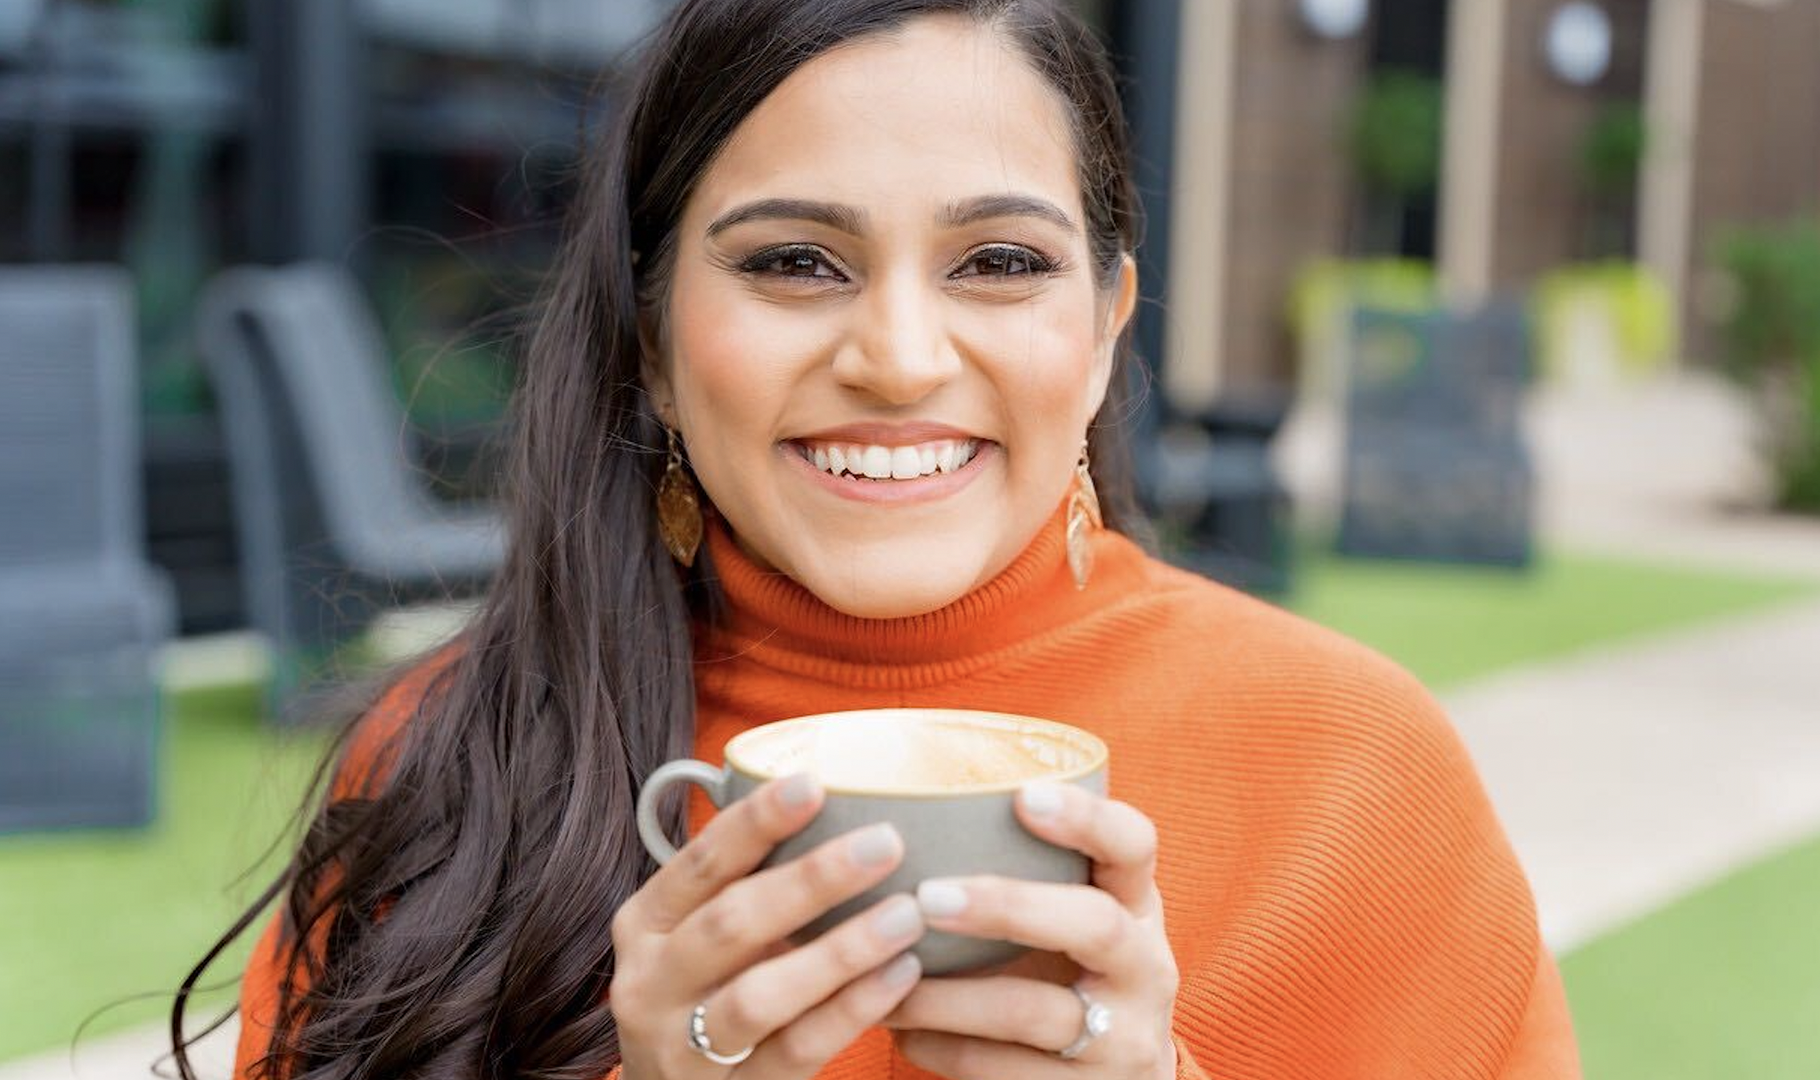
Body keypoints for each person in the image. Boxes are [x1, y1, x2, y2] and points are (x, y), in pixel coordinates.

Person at [177, 1, 1584, 1077]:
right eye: (794, 261)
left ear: (1102, 329)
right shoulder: (448, 760)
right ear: (655, 344)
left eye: (1000, 263)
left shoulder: (1357, 774)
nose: (901, 359)